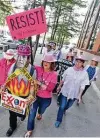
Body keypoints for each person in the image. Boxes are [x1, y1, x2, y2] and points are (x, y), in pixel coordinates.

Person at [4, 44, 37, 137]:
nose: (21, 58)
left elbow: (32, 85)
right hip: (12, 94)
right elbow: (9, 79)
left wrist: (31, 95)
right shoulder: (13, 66)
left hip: (24, 96)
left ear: (28, 57)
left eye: (23, 56)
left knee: (21, 112)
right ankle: (12, 126)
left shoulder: (32, 70)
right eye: (19, 55)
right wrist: (4, 87)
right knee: (12, 113)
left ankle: (22, 115)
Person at [25, 54, 57, 137]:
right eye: (45, 61)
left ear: (52, 64)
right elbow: (28, 66)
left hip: (46, 99)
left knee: (41, 110)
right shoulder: (38, 69)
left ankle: (40, 113)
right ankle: (29, 129)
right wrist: (27, 57)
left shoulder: (54, 75)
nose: (45, 63)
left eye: (48, 62)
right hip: (35, 96)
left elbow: (50, 88)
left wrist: (38, 82)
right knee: (32, 113)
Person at [55, 56, 89, 128]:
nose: (77, 63)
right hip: (65, 91)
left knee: (68, 105)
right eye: (77, 61)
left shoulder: (85, 74)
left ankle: (65, 109)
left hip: (74, 93)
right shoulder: (69, 69)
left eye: (80, 62)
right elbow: (63, 79)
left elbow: (83, 85)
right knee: (62, 106)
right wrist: (59, 86)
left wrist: (79, 96)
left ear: (83, 63)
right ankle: (58, 120)